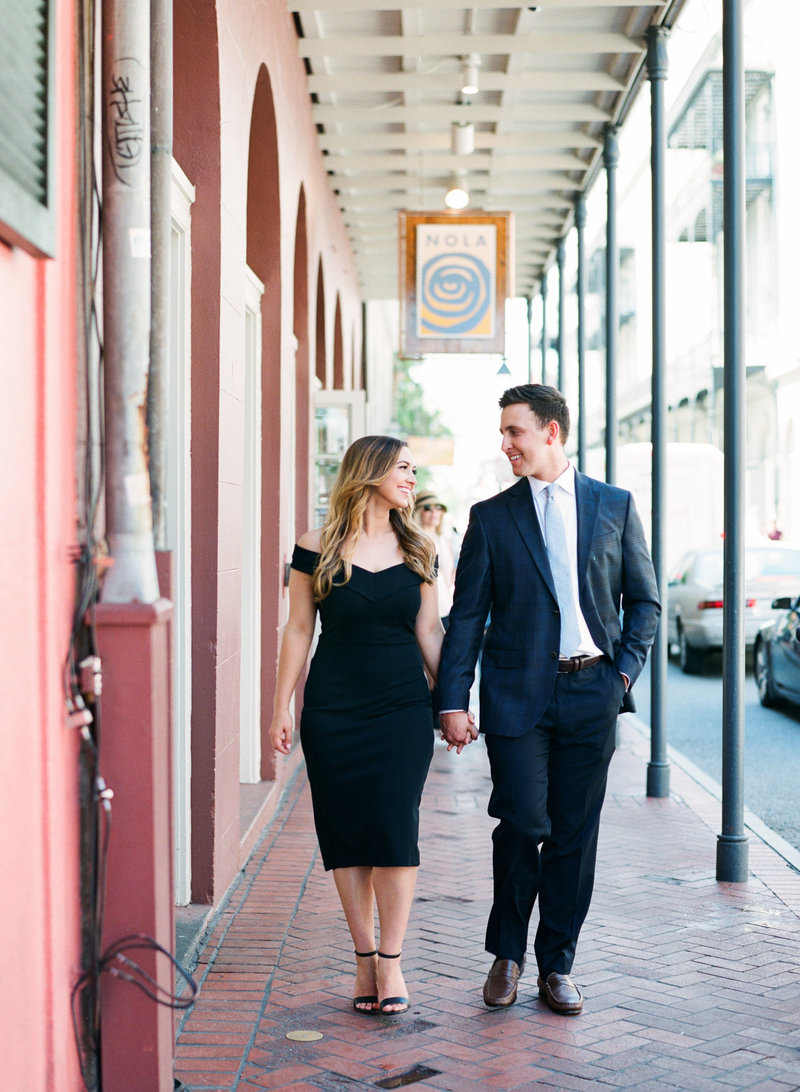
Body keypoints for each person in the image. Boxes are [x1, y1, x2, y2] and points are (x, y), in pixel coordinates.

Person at [437, 384, 660, 1016]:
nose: (505, 443)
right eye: (503, 432)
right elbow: (467, 616)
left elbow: (643, 599)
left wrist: (622, 675)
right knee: (524, 823)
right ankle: (507, 954)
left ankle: (556, 964)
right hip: (516, 697)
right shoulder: (492, 516)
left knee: (573, 835)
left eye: (515, 431)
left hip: (593, 689)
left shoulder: (613, 506)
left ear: (552, 433)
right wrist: (453, 699)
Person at [269, 435, 445, 1016]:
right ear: (368, 474)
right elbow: (299, 629)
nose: (412, 480)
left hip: (401, 707)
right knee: (347, 833)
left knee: (396, 827)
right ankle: (363, 957)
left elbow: (430, 632)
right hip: (334, 707)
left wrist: (453, 703)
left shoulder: (419, 546)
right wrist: (280, 707)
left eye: (413, 471)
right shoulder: (314, 547)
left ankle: (391, 962)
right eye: (403, 468)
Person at [414, 490, 457, 627]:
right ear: (419, 511)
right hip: (424, 609)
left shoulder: (443, 539)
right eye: (428, 508)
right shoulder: (415, 540)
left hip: (446, 605)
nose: (434, 513)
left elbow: (448, 573)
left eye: (438, 508)